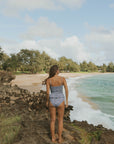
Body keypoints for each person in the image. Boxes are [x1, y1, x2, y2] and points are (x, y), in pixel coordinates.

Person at [45, 65, 68, 143]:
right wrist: (67, 101)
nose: (59, 71)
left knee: (52, 120)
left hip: (52, 100)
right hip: (61, 100)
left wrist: (47, 101)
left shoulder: (49, 80)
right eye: (58, 70)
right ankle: (60, 138)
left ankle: (53, 138)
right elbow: (66, 90)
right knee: (60, 120)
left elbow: (48, 93)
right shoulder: (62, 79)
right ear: (57, 71)